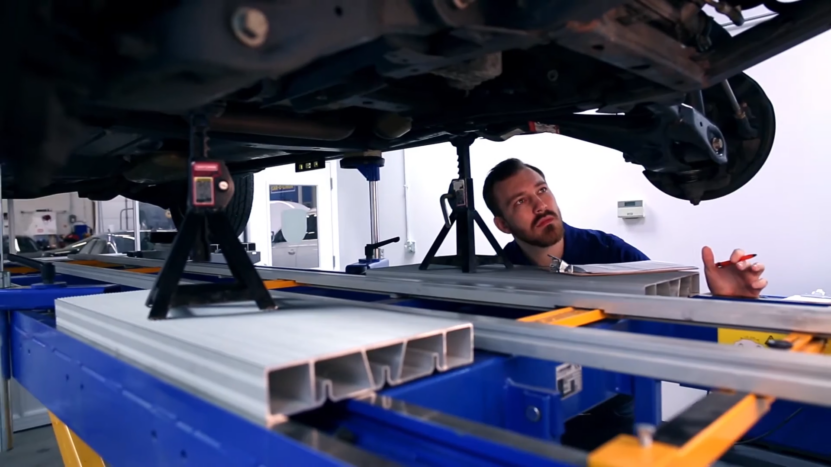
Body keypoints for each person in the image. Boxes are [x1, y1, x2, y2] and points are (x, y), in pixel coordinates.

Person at [482, 158, 767, 298]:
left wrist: (725, 303)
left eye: (542, 190)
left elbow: (671, 312)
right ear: (503, 224)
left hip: (614, 404)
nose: (540, 205)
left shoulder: (608, 251)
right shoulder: (496, 273)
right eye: (520, 201)